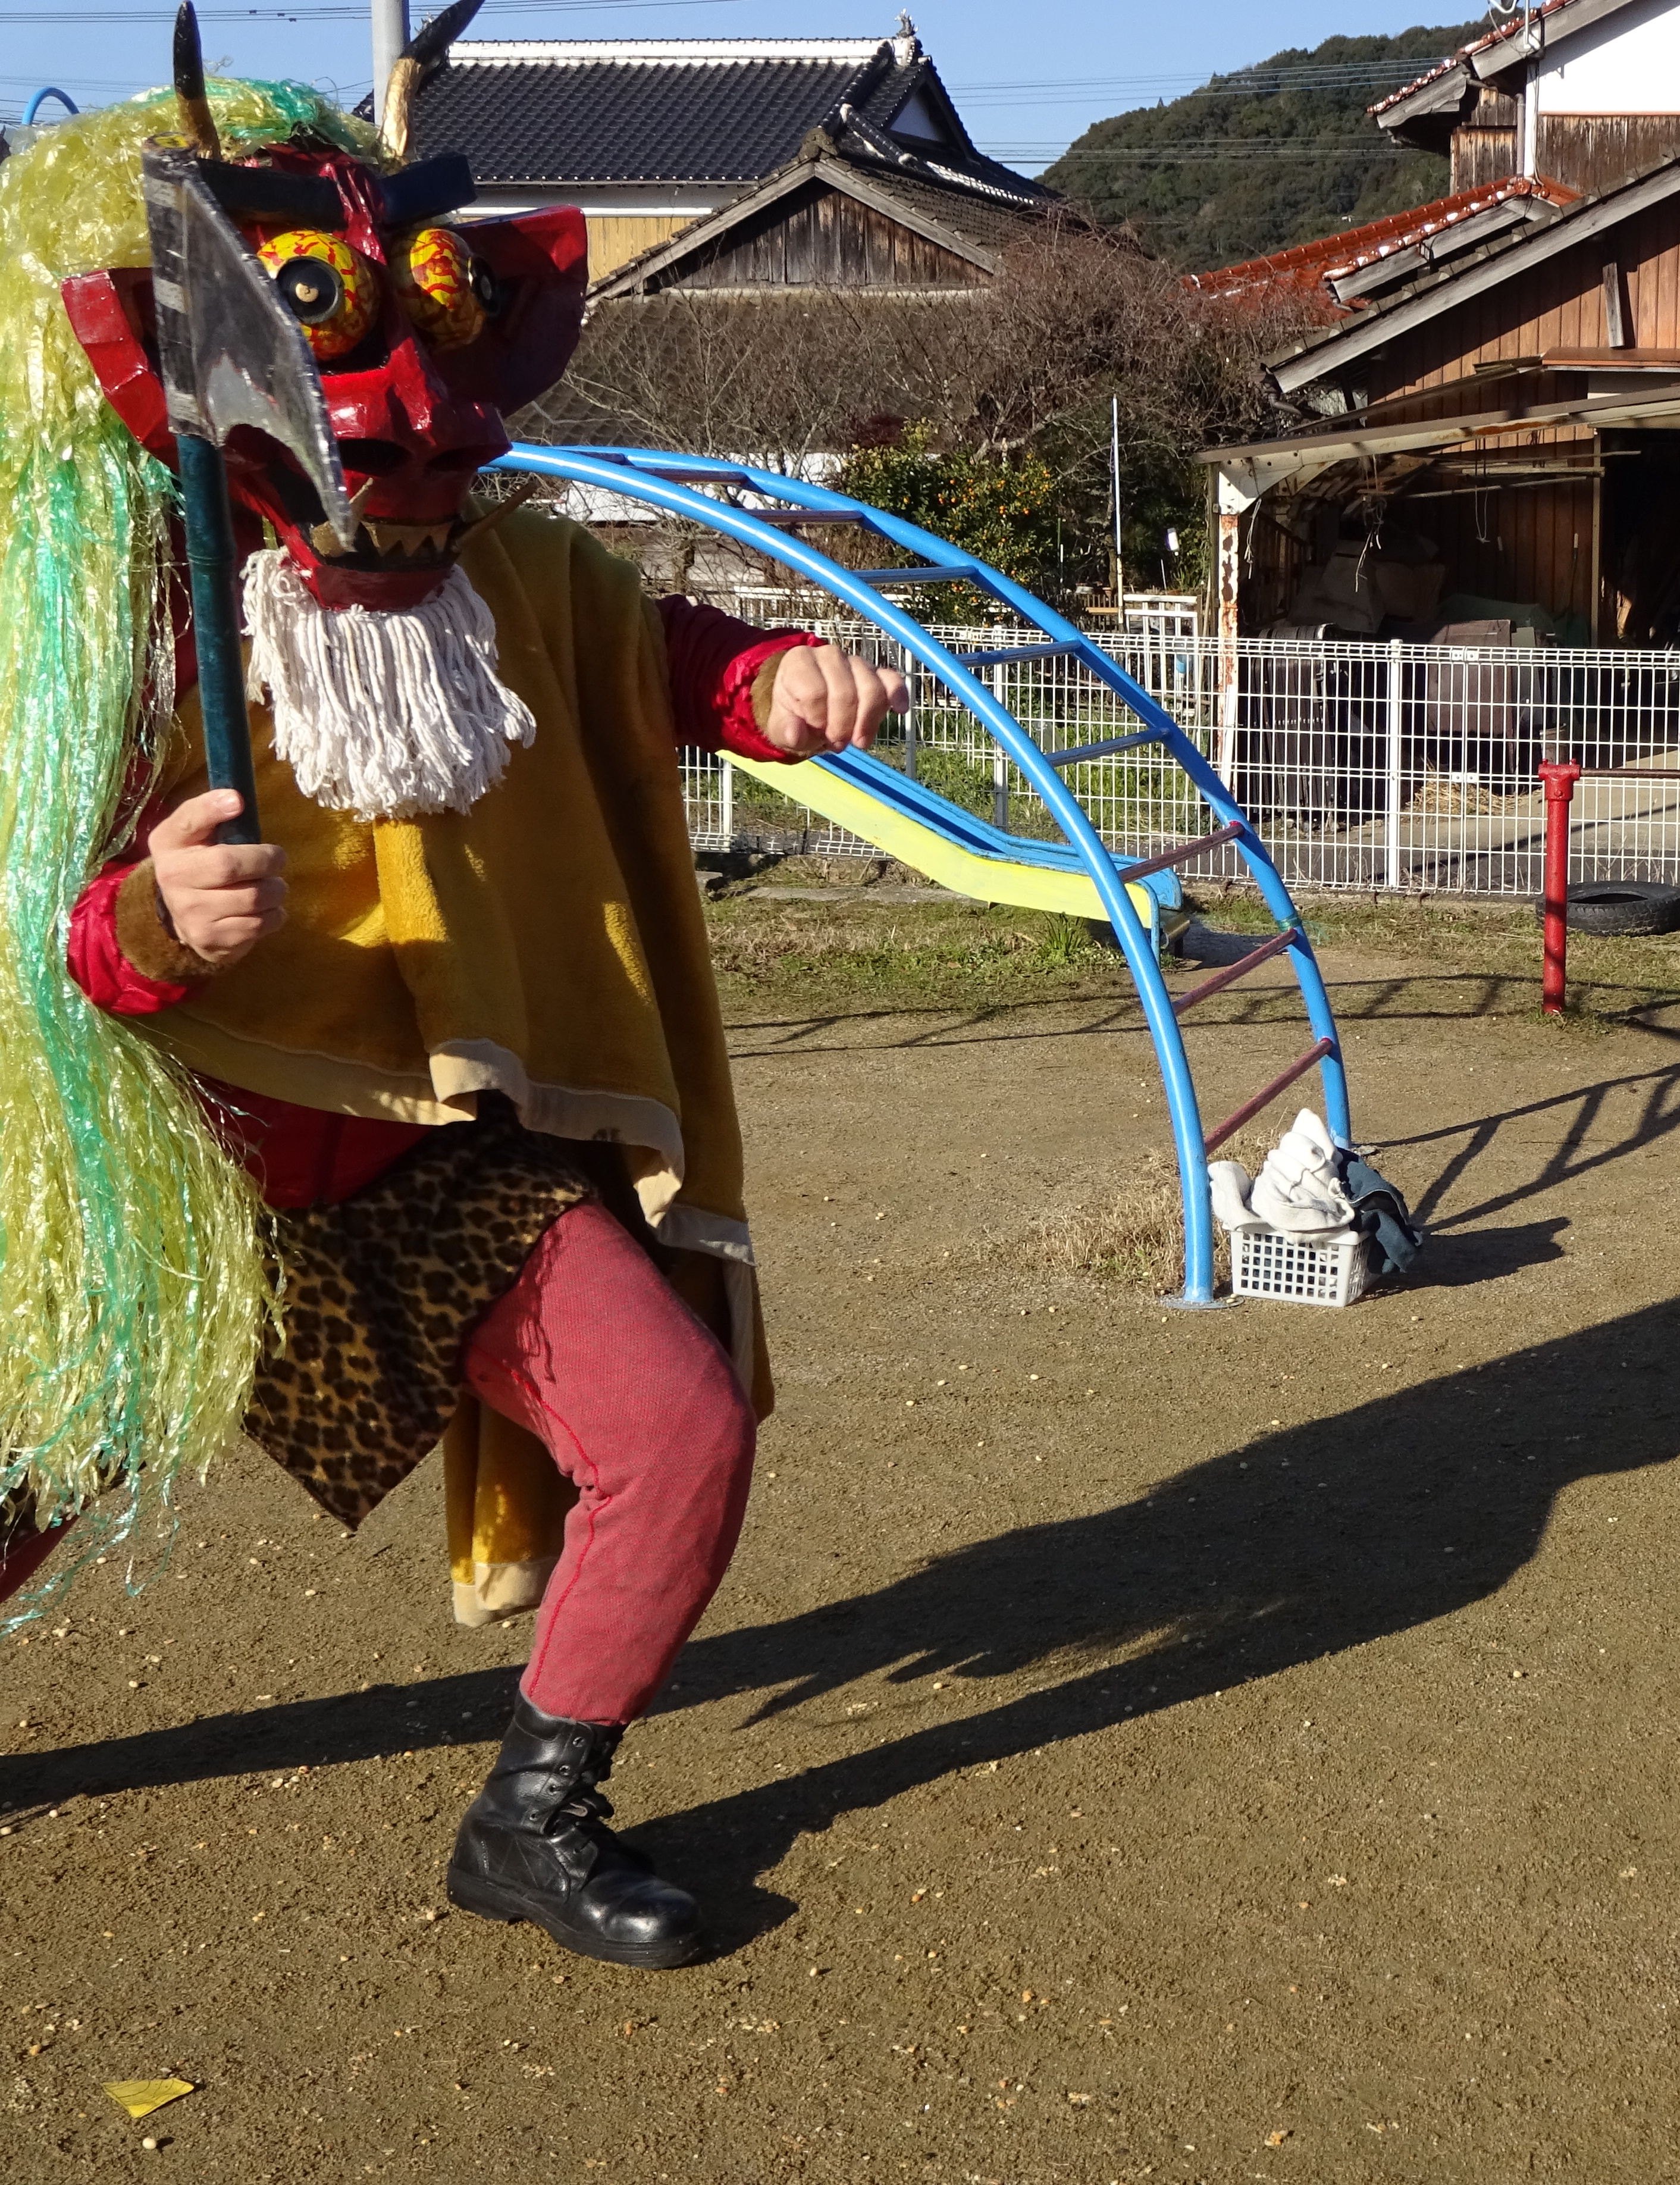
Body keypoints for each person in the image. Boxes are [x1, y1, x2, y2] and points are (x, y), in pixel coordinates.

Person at [1, 56, 904, 1968]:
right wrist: (139, 929)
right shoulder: (98, 611)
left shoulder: (505, 568)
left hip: (432, 1159)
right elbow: (36, 921)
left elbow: (636, 653)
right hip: (172, 1177)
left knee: (677, 1432)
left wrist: (777, 681)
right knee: (26, 1468)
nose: (405, 483)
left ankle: (534, 1815)